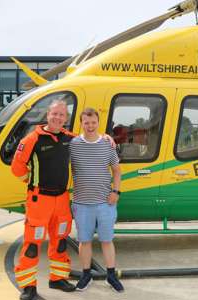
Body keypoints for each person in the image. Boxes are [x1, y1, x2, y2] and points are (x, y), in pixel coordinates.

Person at [10, 100, 77, 300]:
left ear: (66, 118)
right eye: (54, 113)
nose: (58, 118)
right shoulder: (32, 139)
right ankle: (28, 287)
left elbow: (91, 141)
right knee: (32, 244)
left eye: (62, 115)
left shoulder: (70, 138)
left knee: (60, 241)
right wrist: (30, 181)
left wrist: (106, 139)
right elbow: (17, 168)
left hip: (62, 199)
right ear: (48, 115)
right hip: (40, 200)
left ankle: (57, 279)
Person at [70, 107, 124, 293]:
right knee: (84, 241)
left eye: (93, 122)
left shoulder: (107, 144)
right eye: (86, 122)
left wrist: (116, 192)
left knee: (107, 240)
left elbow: (117, 170)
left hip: (105, 203)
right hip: (81, 203)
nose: (90, 126)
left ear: (98, 123)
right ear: (81, 123)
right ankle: (86, 275)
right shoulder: (73, 144)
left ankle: (111, 275)